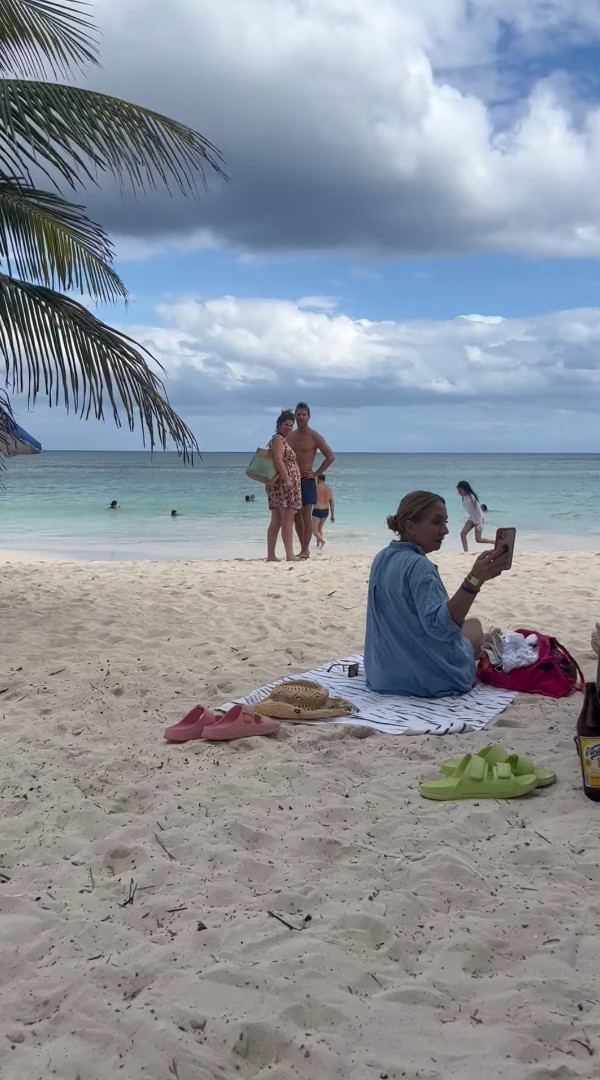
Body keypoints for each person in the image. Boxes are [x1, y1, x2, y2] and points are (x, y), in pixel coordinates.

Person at [364, 490, 510, 697]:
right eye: (436, 522)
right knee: (474, 626)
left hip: (381, 675)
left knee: (470, 629)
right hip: (429, 679)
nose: (445, 530)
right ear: (410, 527)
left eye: (445, 522)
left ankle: (482, 644)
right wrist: (474, 580)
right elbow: (441, 628)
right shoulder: (419, 566)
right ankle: (483, 644)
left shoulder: (382, 557)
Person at [286, 402, 335, 559]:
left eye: (304, 414)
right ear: (295, 416)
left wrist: (316, 473)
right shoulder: (290, 436)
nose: (301, 417)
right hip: (292, 480)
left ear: (308, 417)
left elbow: (330, 456)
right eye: (298, 414)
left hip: (307, 480)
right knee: (295, 516)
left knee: (306, 515)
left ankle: (305, 549)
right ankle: (302, 547)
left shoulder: (314, 436)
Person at [266, 409, 302, 562]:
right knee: (286, 519)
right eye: (286, 424)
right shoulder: (278, 439)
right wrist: (287, 479)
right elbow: (278, 459)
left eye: (291, 425)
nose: (288, 427)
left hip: (281, 484)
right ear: (279, 425)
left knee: (278, 520)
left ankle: (272, 555)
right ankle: (289, 554)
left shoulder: (280, 439)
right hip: (282, 484)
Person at [457, 480, 493, 551]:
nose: (459, 493)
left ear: (465, 489)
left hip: (478, 519)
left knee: (478, 539)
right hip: (472, 518)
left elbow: (478, 512)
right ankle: (466, 551)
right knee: (462, 534)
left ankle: (494, 542)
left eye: (460, 490)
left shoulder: (472, 497)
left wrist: (478, 522)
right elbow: (471, 512)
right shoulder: (464, 497)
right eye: (458, 491)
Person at [312, 474, 335, 548]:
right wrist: (332, 515)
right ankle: (318, 544)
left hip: (317, 510)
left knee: (314, 530)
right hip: (326, 511)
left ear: (318, 479)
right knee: (319, 528)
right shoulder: (329, 489)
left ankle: (322, 541)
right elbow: (331, 503)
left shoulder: (315, 487)